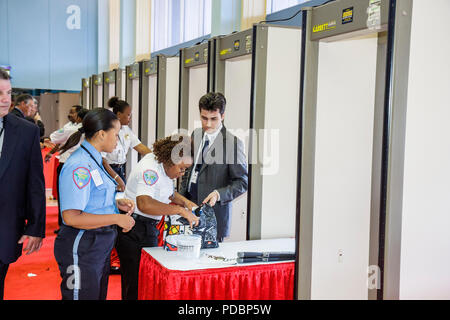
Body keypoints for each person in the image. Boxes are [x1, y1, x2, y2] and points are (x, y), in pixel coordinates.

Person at [53, 108, 136, 300]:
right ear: (101, 134)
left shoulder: (96, 159)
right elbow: (71, 216)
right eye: (115, 135)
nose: (118, 140)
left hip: (97, 245)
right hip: (82, 245)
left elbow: (92, 199)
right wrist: (116, 218)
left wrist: (115, 204)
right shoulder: (80, 165)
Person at [116, 134, 200, 300]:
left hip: (147, 227)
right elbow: (144, 204)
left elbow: (168, 193)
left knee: (147, 281)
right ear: (170, 160)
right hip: (134, 228)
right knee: (135, 284)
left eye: (186, 170)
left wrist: (186, 203)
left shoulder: (164, 167)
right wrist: (180, 211)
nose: (182, 173)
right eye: (181, 168)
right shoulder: (151, 170)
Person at [0, 68, 46, 300]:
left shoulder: (26, 132)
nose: (5, 99)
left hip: (5, 229)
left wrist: (36, 227)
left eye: (8, 92)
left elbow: (35, 184)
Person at [180, 92, 248, 242]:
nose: (208, 124)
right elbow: (189, 170)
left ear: (222, 116)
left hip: (214, 216)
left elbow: (242, 183)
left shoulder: (233, 143)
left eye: (213, 119)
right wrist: (181, 197)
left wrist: (219, 194)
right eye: (204, 118)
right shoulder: (196, 134)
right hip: (188, 208)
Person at [104, 97, 151, 183]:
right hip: (108, 170)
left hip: (121, 169)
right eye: (128, 115)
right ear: (118, 114)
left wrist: (156, 157)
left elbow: (139, 147)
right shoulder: (107, 130)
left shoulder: (126, 130)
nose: (130, 117)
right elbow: (102, 159)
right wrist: (116, 177)